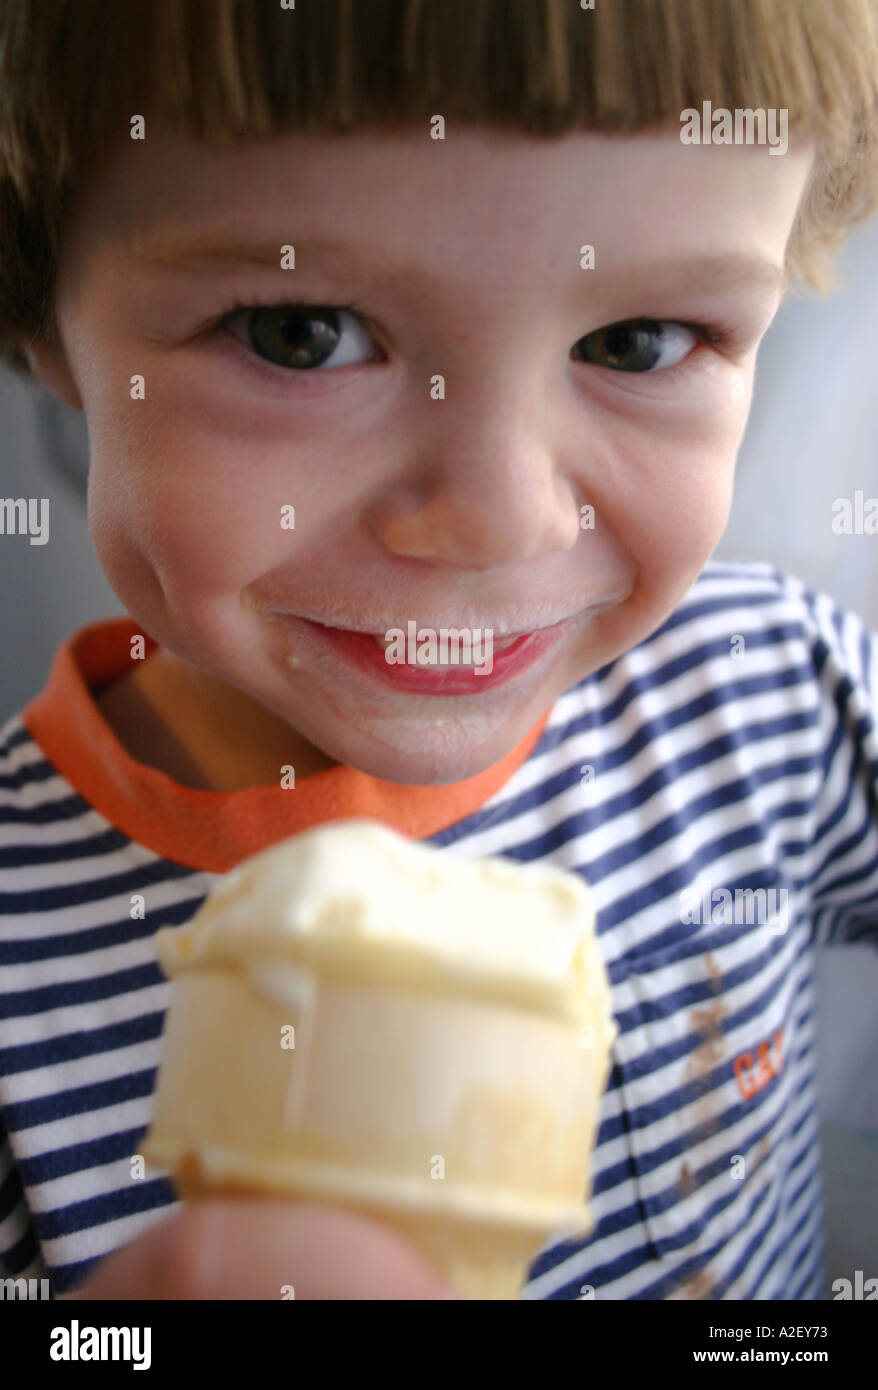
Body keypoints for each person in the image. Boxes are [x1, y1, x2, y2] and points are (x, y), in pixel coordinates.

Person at [1, 0, 876, 1300]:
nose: (496, 519)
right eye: (300, 331)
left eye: (635, 342)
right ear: (33, 317)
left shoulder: (775, 692)